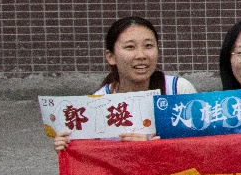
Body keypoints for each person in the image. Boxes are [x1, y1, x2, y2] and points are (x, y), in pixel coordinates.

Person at [53, 16, 194, 151]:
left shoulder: (179, 90)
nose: (141, 55)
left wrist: (155, 149)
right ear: (111, 57)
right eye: (130, 47)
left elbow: (199, 148)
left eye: (148, 45)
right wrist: (67, 147)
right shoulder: (96, 104)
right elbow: (90, 161)